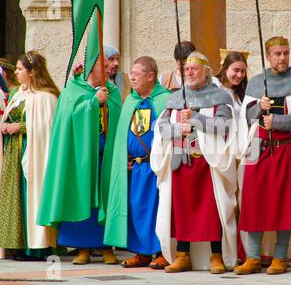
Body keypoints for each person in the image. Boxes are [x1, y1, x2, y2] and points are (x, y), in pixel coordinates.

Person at [234, 36, 291, 275]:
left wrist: (279, 121)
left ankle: (280, 257)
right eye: (277, 54)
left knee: (284, 204)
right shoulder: (255, 83)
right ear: (268, 56)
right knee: (253, 201)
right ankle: (252, 257)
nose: (282, 57)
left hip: (285, 148)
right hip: (257, 148)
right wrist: (258, 108)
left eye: (286, 53)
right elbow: (247, 117)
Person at [151, 51, 238, 274]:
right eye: (186, 69)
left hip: (207, 163)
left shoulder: (219, 97)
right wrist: (178, 128)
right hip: (181, 161)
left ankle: (216, 255)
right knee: (181, 211)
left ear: (206, 72)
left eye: (194, 69)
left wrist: (197, 119)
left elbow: (225, 125)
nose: (189, 72)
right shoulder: (175, 98)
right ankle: (182, 255)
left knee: (212, 210)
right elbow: (160, 128)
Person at [37, 54, 122, 265]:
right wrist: (93, 103)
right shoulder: (71, 91)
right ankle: (81, 248)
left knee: (106, 198)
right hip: (80, 158)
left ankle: (106, 247)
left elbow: (120, 122)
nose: (111, 67)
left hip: (105, 157)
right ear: (92, 69)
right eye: (105, 63)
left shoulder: (112, 92)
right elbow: (69, 119)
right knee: (80, 196)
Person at [103, 56, 171, 269]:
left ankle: (162, 252)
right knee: (137, 207)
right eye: (131, 73)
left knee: (157, 209)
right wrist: (123, 157)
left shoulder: (165, 99)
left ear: (151, 76)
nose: (131, 77)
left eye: (136, 74)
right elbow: (122, 133)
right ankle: (141, 253)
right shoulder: (130, 101)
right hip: (136, 166)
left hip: (157, 165)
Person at [0, 51, 59, 261]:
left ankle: (36, 247)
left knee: (31, 195)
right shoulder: (19, 94)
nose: (15, 73)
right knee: (14, 197)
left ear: (32, 72)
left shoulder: (46, 98)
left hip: (33, 153)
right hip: (13, 153)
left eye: (19, 69)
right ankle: (16, 244)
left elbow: (48, 128)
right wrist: (5, 126)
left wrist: (21, 126)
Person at [213, 49, 249, 121]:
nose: (239, 75)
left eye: (243, 71)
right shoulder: (213, 83)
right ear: (225, 68)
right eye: (236, 70)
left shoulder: (241, 92)